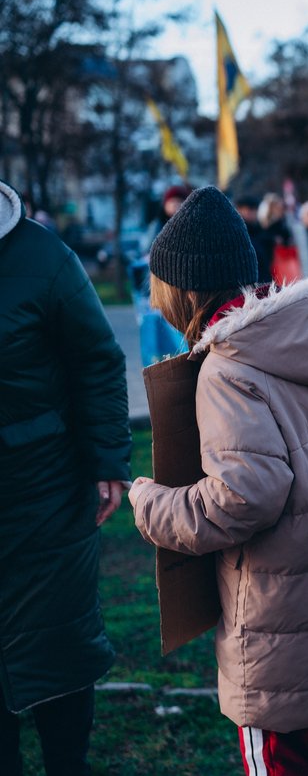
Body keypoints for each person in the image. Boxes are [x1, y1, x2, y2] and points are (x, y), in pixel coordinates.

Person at [126, 186, 308, 775]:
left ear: (183, 292)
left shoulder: (230, 369)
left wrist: (150, 502)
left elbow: (242, 496)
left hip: (280, 636)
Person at [0, 178, 131, 775]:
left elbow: (98, 361)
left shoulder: (45, 257)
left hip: (46, 491)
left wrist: (107, 460)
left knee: (59, 646)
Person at [132, 184, 191, 365]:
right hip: (161, 286)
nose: (175, 206)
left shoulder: (190, 227)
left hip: (184, 287)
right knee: (160, 336)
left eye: (180, 202)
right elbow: (144, 256)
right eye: (172, 202)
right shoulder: (156, 227)